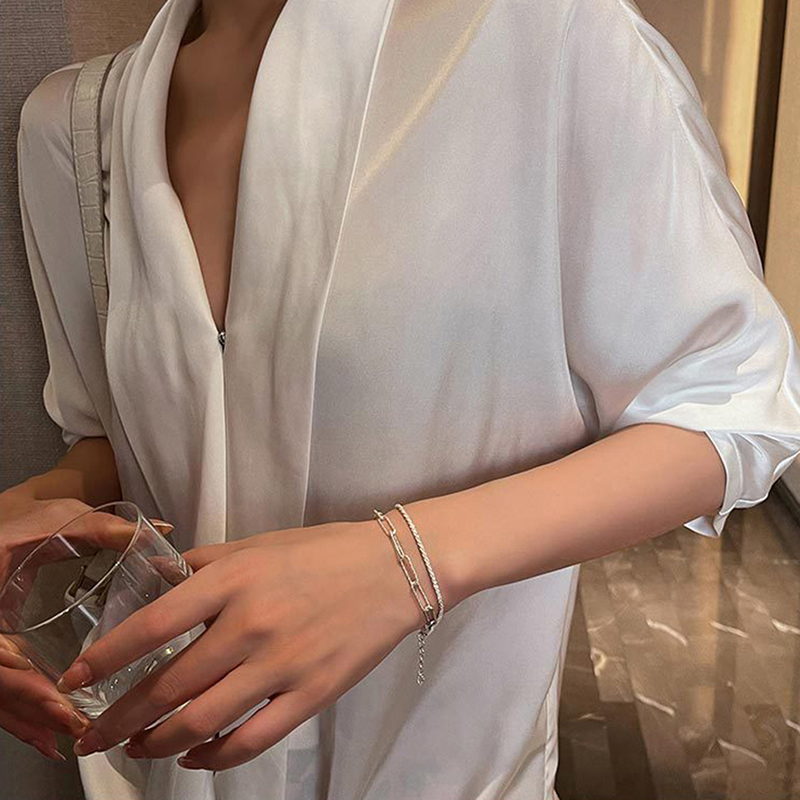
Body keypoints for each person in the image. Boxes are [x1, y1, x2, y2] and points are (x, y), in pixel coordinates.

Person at [4, 0, 800, 796]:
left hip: (441, 773)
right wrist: (41, 506)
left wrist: (402, 564)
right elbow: (123, 432)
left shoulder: (544, 38)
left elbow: (732, 401)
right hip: (160, 771)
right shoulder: (76, 127)